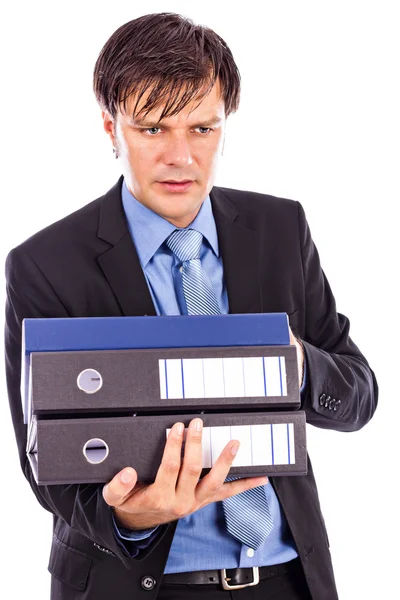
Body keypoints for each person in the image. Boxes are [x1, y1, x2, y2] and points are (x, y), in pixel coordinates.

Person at [4, 12, 378, 600]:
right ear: (111, 127)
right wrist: (133, 517)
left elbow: (357, 396)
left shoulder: (279, 228)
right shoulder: (46, 265)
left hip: (286, 580)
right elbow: (42, 458)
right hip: (135, 583)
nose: (181, 157)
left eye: (202, 128)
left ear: (226, 123)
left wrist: (297, 364)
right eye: (154, 129)